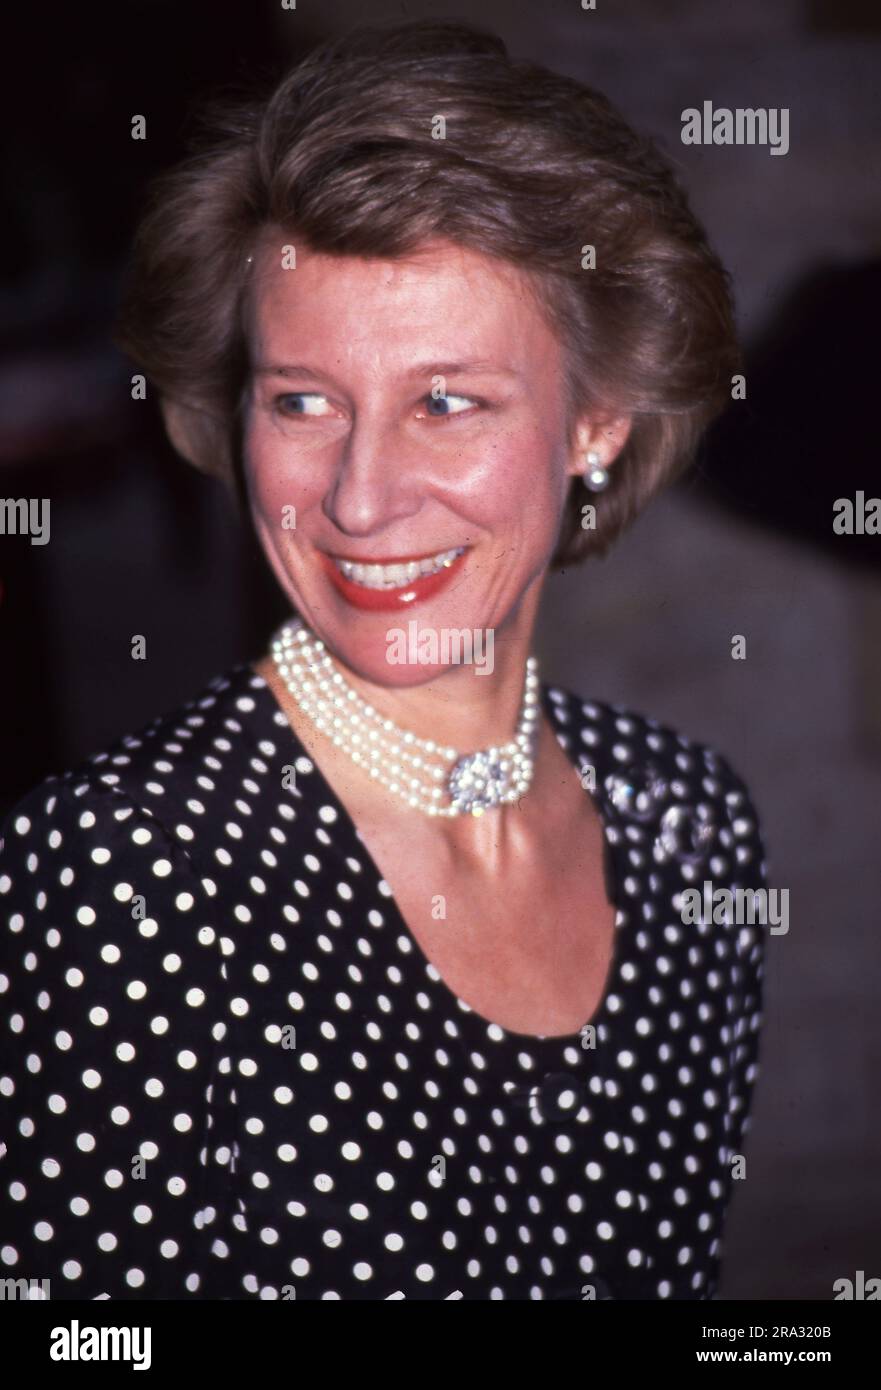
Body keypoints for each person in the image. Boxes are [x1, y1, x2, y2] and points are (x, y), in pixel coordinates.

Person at [0, 19, 766, 1301]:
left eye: (444, 401)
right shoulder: (119, 876)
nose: (357, 499)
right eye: (301, 399)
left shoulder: (690, 825)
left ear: (596, 420)